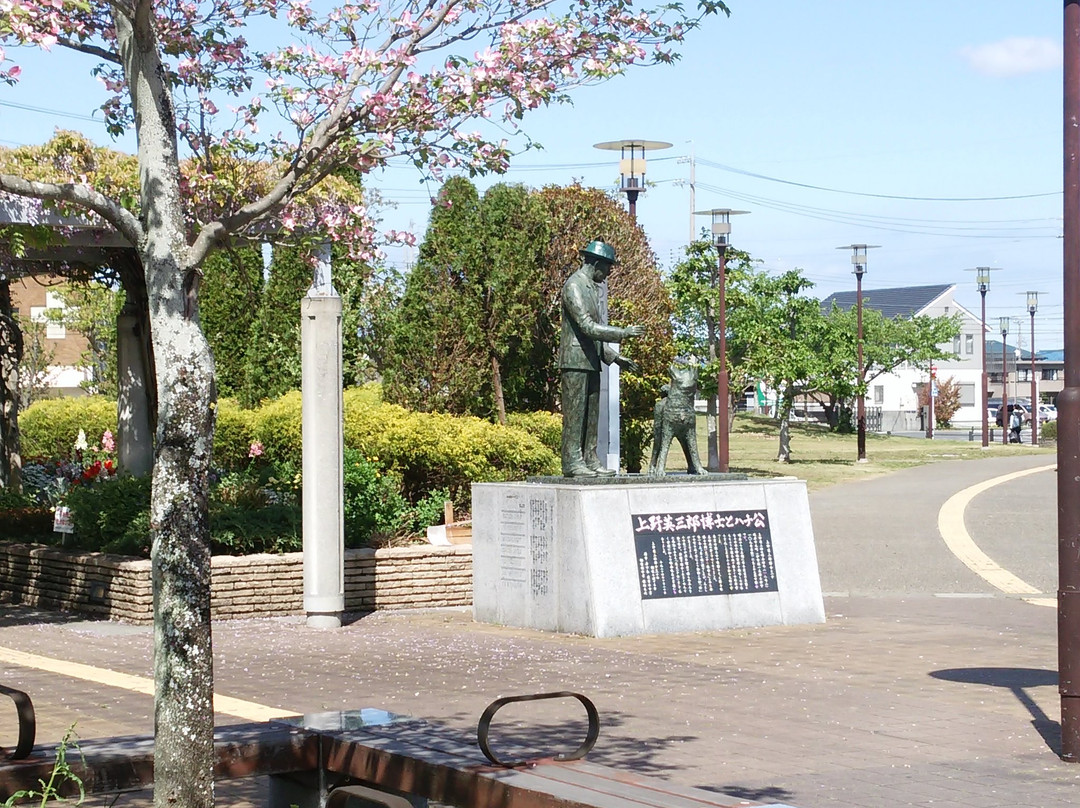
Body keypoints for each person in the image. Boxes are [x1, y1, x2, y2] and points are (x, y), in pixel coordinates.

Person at [559, 240, 644, 477]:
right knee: (576, 415)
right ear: (596, 263)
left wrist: (615, 358)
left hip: (591, 361)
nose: (608, 273)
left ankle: (589, 458)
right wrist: (622, 332)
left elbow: (593, 335)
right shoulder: (574, 286)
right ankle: (572, 462)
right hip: (574, 360)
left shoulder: (590, 287)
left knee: (592, 414)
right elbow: (586, 327)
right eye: (608, 267)